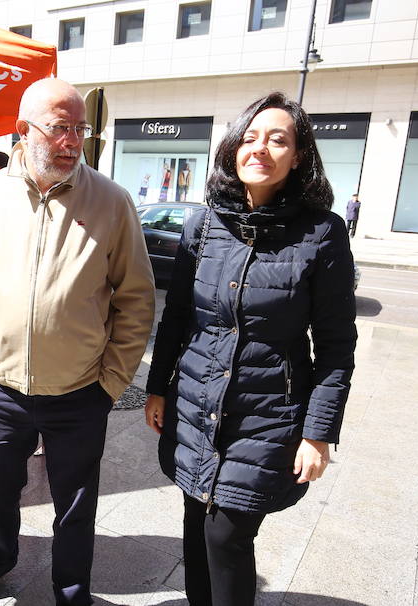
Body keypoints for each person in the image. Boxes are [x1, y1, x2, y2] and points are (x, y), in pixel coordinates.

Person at [0, 77, 156, 606]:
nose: (71, 141)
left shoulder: (111, 200)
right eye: (59, 128)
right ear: (22, 130)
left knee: (75, 502)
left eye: (79, 129)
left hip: (80, 391)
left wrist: (110, 383)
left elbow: (137, 299)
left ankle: (72, 589)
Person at [144, 92, 357, 606]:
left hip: (268, 414)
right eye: (251, 136)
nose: (260, 148)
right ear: (234, 147)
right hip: (196, 404)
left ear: (299, 155)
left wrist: (318, 434)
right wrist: (158, 389)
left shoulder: (322, 233)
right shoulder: (204, 224)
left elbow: (334, 347)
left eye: (278, 139)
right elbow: (176, 318)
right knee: (196, 524)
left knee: (227, 534)